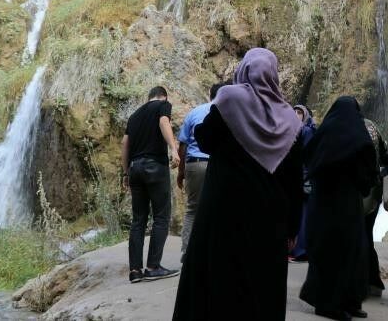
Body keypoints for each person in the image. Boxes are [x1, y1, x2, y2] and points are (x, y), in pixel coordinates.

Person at [173, 48, 303, 321]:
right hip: (269, 216)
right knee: (261, 283)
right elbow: (293, 178)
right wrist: (292, 227)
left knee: (219, 276)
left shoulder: (229, 100)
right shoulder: (289, 118)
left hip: (224, 208)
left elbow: (204, 139)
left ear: (242, 70)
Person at [300, 96, 379, 320]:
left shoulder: (323, 133)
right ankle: (344, 302)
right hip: (348, 205)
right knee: (351, 252)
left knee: (326, 252)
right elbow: (369, 170)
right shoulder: (359, 136)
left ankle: (329, 300)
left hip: (322, 203)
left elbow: (308, 159)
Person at [123, 85, 180, 283]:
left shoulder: (134, 116)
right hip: (155, 166)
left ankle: (135, 271)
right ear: (163, 97)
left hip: (135, 169)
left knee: (138, 220)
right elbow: (164, 122)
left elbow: (125, 144)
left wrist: (126, 173)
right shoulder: (162, 106)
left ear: (148, 97)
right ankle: (153, 267)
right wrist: (174, 149)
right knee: (161, 217)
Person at [175, 81, 227, 261]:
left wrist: (181, 172)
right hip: (218, 164)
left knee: (192, 209)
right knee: (220, 207)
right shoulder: (229, 112)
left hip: (195, 164)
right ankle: (216, 250)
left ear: (210, 95)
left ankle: (187, 251)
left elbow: (183, 145)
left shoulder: (195, 112)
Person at [363, 115, 388, 297]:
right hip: (374, 190)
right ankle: (373, 282)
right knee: (367, 234)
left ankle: (360, 282)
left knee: (358, 236)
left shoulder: (351, 131)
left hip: (357, 191)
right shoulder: (372, 128)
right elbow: (385, 157)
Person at [290, 104, 317, 262]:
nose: (296, 114)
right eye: (294, 111)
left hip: (303, 178)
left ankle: (300, 250)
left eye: (299, 112)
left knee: (302, 214)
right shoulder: (296, 129)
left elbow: (307, 156)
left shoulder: (306, 131)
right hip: (299, 176)